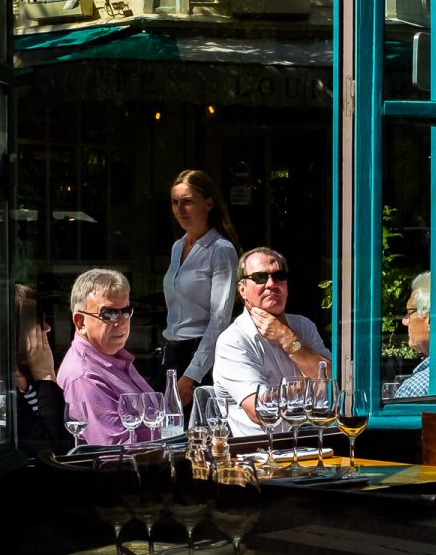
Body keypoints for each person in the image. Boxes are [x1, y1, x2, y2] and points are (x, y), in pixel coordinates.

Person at [212, 246, 330, 436]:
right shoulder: (233, 341)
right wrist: (308, 388)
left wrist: (288, 339)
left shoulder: (303, 326)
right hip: (262, 454)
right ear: (242, 289)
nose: (271, 284)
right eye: (260, 277)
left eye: (279, 276)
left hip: (317, 443)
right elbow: (262, 411)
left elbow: (331, 388)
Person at [161, 169, 240, 409]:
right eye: (175, 202)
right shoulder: (178, 246)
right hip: (171, 350)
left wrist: (191, 375)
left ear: (208, 203)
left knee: (198, 432)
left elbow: (219, 319)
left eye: (187, 202)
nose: (180, 210)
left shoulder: (221, 249)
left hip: (200, 355)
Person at [55, 268, 155, 446]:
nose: (122, 321)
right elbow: (114, 453)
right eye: (109, 313)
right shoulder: (85, 376)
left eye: (126, 311)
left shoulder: (110, 358)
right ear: (80, 322)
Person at [12, 284, 72, 455]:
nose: (47, 327)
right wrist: (46, 376)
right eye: (37, 322)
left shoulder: (27, 377)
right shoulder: (5, 384)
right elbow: (55, 451)